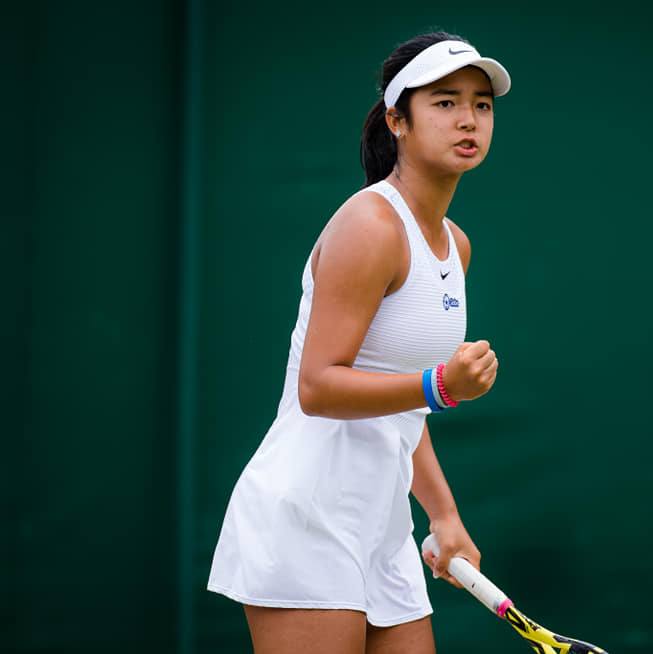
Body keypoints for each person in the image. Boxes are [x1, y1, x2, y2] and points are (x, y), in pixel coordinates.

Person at [207, 31, 511, 653]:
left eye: (481, 104)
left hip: (382, 524)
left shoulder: (457, 245)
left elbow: (396, 403)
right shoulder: (369, 225)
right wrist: (441, 385)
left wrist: (444, 514)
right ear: (397, 120)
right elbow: (318, 387)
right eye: (446, 102)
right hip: (305, 516)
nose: (469, 119)